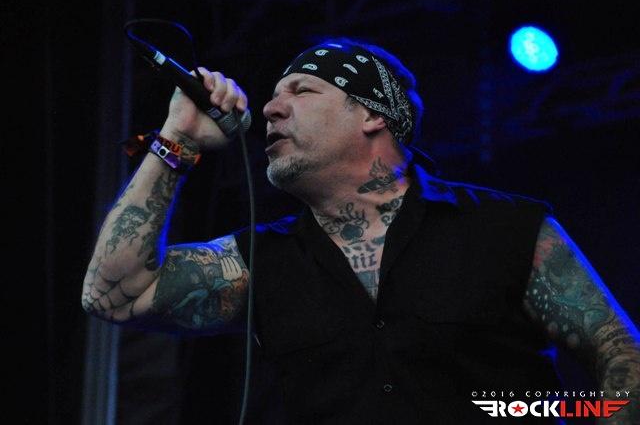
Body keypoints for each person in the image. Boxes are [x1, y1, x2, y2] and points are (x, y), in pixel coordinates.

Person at [82, 38, 640, 424]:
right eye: (275, 95)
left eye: (301, 90)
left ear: (373, 114)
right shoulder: (261, 258)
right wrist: (177, 140)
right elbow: (113, 294)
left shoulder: (506, 227)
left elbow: (620, 354)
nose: (271, 109)